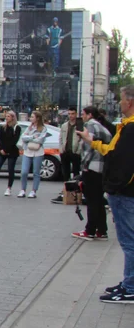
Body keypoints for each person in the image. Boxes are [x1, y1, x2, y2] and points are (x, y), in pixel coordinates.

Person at [78, 85, 134, 302]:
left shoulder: (130, 129)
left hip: (125, 192)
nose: (119, 103)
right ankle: (129, 281)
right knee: (128, 240)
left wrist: (114, 186)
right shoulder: (125, 127)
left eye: (121, 100)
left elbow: (124, 163)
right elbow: (111, 151)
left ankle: (130, 287)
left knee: (129, 241)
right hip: (123, 191)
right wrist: (92, 141)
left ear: (129, 102)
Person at [73, 105, 112, 240]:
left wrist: (84, 165)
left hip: (92, 167)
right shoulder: (103, 127)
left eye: (83, 114)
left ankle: (89, 230)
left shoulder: (90, 125)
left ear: (89, 115)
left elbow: (89, 148)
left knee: (92, 200)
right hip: (102, 168)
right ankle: (102, 230)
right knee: (99, 199)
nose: (82, 117)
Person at [54, 106, 84, 203]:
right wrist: (61, 149)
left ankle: (76, 191)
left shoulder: (80, 125)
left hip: (75, 152)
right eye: (69, 114)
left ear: (76, 114)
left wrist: (78, 150)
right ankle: (65, 191)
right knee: (65, 172)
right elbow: (61, 138)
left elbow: (82, 139)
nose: (71, 116)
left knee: (76, 172)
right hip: (65, 151)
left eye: (73, 114)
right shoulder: (64, 125)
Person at [18, 111, 49, 199]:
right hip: (27, 151)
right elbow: (23, 137)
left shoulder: (43, 128)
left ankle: (33, 191)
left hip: (38, 152)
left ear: (37, 118)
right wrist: (32, 137)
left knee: (36, 172)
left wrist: (30, 138)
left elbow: (40, 140)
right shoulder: (29, 127)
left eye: (32, 117)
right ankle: (23, 190)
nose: (30, 118)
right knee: (24, 172)